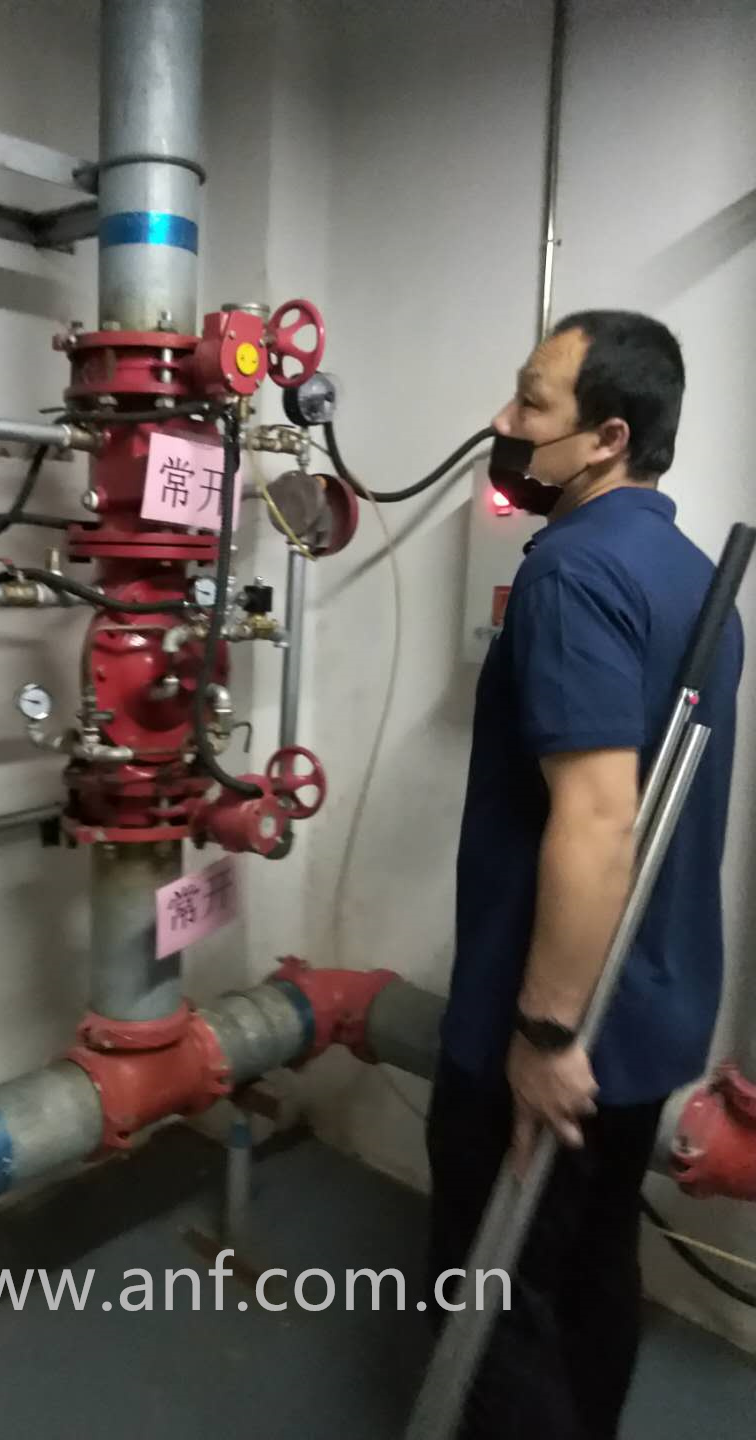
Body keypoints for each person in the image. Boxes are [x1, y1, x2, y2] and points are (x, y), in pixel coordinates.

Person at [427, 310, 744, 1440]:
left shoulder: (571, 572)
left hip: (558, 1027)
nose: (504, 421)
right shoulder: (694, 576)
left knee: (494, 1302)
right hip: (652, 1012)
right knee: (595, 1266)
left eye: (531, 401)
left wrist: (546, 1036)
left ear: (608, 437)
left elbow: (601, 820)